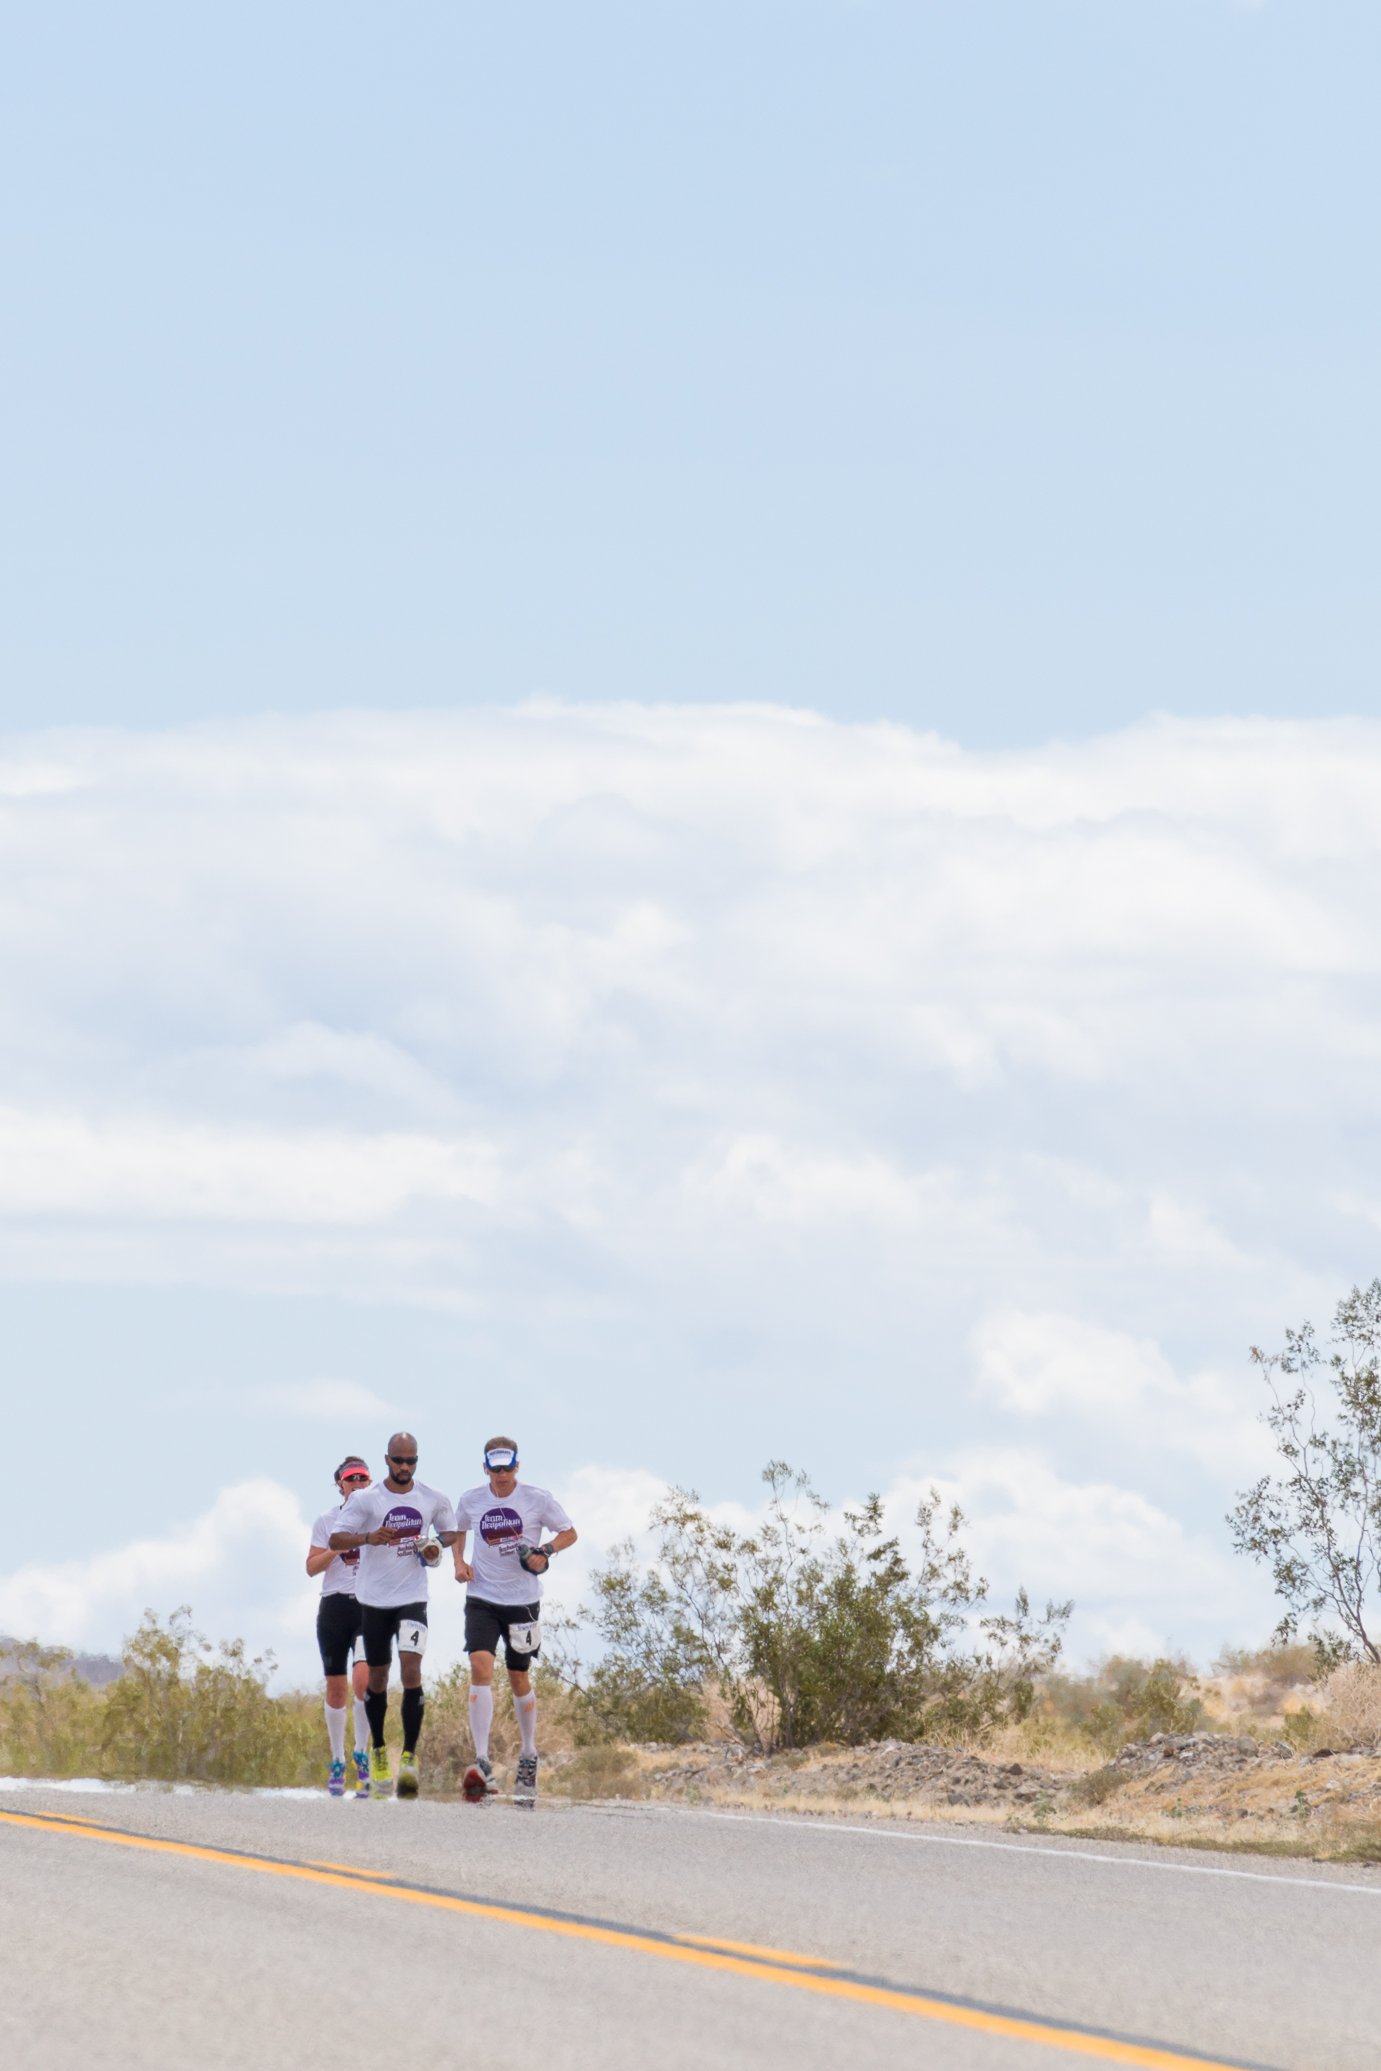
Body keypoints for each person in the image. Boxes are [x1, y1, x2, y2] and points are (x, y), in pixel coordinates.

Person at [330, 1432, 456, 1799]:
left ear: (417, 1461)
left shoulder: (432, 1497)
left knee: (411, 1668)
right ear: (386, 1460)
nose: (404, 1468)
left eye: (411, 1461)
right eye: (398, 1461)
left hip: (413, 1596)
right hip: (373, 1599)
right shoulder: (367, 1499)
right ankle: (380, 1749)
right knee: (379, 1677)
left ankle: (410, 1758)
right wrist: (368, 1538)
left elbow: (451, 1532)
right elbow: (337, 1540)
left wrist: (435, 1545)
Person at [452, 1436, 577, 1803]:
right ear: (485, 1468)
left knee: (518, 1675)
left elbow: (569, 1532)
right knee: (480, 1666)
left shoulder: (537, 1498)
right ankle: (482, 1761)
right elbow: (459, 1530)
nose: (502, 1475)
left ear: (517, 1466)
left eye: (508, 1468)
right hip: (482, 1597)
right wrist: (459, 1562)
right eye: (496, 1468)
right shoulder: (471, 1499)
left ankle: (528, 1754)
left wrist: (545, 1551)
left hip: (523, 1601)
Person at [306, 1456, 375, 1797]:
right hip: (334, 1606)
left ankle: (362, 1752)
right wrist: (336, 1546)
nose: (357, 1483)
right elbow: (311, 1567)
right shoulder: (326, 1520)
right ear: (340, 1484)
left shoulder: (380, 1518)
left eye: (363, 1478)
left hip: (367, 1606)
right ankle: (338, 1759)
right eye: (351, 1479)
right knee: (337, 1689)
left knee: (364, 1681)